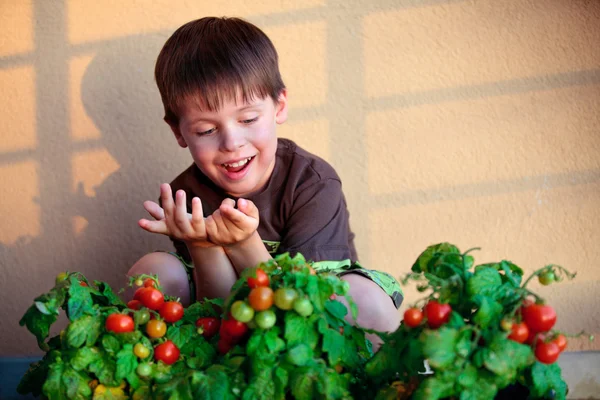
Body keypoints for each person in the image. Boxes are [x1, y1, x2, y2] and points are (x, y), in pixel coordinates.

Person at [128, 16, 402, 340]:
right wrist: (203, 247)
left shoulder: (312, 184)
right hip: (234, 327)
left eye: (248, 119)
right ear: (179, 131)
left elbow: (301, 307)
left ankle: (391, 384)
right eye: (206, 130)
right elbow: (217, 311)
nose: (231, 143)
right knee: (156, 271)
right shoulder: (187, 198)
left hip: (317, 323)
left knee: (363, 296)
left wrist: (245, 243)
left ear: (279, 107)